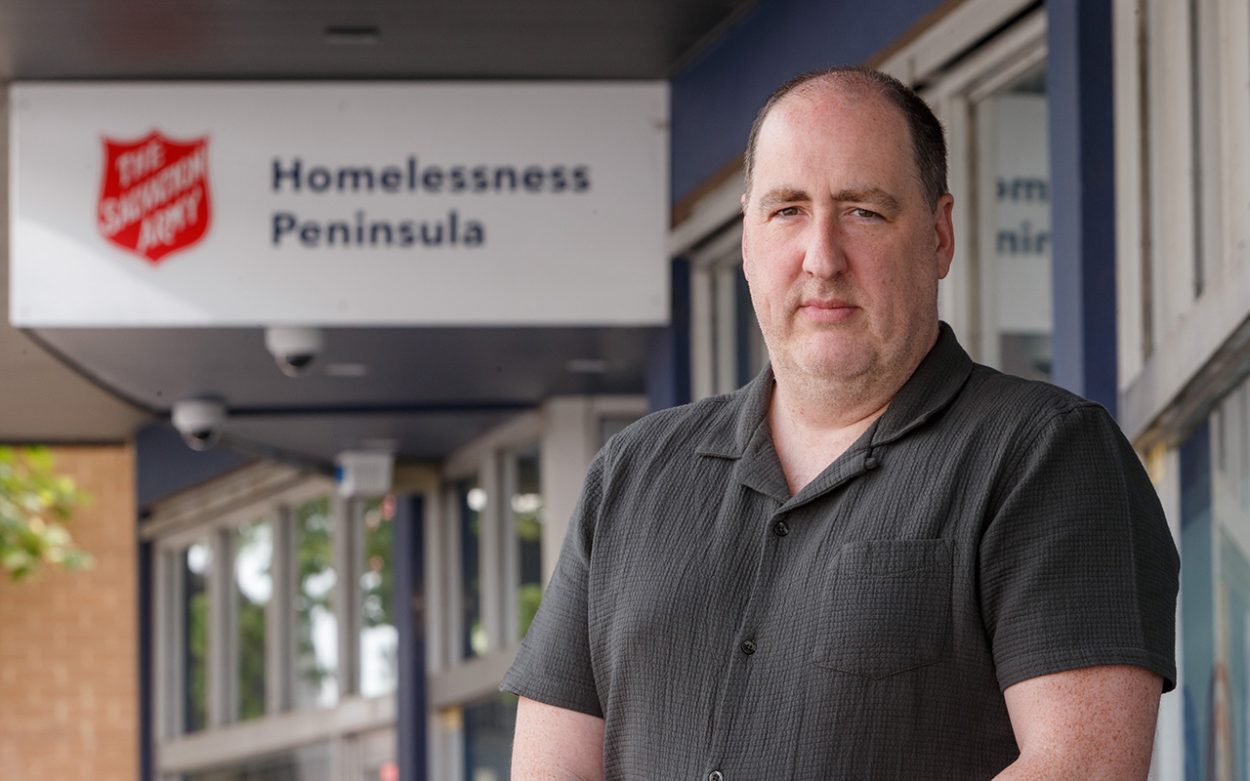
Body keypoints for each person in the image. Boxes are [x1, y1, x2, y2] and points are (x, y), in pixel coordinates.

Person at [502, 66, 1179, 780]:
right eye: (787, 210)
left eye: (863, 210)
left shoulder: (1046, 456)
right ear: (746, 238)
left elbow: (1082, 767)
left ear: (940, 236)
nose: (821, 258)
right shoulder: (630, 476)